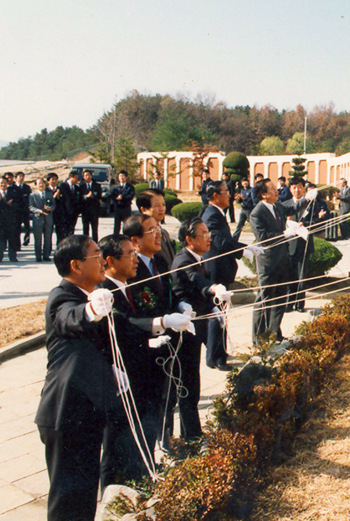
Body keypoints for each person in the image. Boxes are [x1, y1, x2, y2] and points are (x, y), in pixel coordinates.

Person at [34, 235, 117, 521]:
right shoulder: (62, 296)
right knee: (66, 500)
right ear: (76, 266)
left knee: (83, 498)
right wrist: (91, 311)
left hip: (86, 411)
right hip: (64, 413)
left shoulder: (92, 292)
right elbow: (69, 318)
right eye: (96, 255)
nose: (103, 259)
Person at [98, 234, 191, 486]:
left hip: (146, 373)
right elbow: (123, 324)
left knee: (145, 434)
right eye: (129, 254)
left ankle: (142, 479)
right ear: (110, 261)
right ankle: (112, 497)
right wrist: (160, 323)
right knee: (118, 444)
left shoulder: (132, 285)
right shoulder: (104, 292)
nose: (135, 258)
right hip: (124, 379)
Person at [166, 218, 234, 441]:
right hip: (184, 332)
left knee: (191, 384)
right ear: (189, 239)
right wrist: (214, 288)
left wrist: (213, 307)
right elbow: (195, 281)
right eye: (203, 234)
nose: (209, 238)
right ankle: (191, 437)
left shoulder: (197, 257)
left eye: (208, 233)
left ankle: (191, 434)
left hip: (196, 325)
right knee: (187, 385)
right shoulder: (184, 259)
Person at [249, 177, 313, 345]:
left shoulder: (277, 205)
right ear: (263, 194)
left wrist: (307, 198)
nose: (277, 191)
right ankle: (258, 339)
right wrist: (285, 235)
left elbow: (292, 207)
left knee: (279, 298)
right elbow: (263, 239)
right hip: (268, 263)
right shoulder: (257, 213)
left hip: (281, 260)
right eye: (272, 189)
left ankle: (274, 333)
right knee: (264, 300)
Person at [201, 180, 249, 369]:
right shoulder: (211, 215)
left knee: (221, 314)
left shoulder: (218, 213)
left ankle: (220, 351)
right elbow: (221, 243)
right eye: (225, 191)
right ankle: (215, 358)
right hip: (215, 271)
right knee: (216, 315)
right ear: (215, 196)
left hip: (221, 270)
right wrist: (245, 250)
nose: (229, 194)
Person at [284, 179, 329, 312]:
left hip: (304, 244)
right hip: (289, 245)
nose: (296, 190)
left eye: (299, 187)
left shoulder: (311, 204)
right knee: (289, 276)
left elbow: (316, 222)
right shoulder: (285, 205)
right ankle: (288, 303)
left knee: (301, 276)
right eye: (294, 187)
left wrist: (306, 225)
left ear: (304, 188)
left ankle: (299, 305)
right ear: (290, 189)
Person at [137, 189, 174, 270]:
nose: (162, 209)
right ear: (144, 210)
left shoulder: (164, 232)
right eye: (157, 205)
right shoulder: (142, 235)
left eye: (163, 205)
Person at [0, 176, 19, 262]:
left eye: (5, 182)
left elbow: (18, 205)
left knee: (12, 240)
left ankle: (13, 257)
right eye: (1, 183)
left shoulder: (12, 193)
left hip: (10, 221)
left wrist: (10, 204)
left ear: (8, 184)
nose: (3, 184)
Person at [29, 177, 55, 262]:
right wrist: (39, 211)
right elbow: (30, 206)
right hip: (38, 218)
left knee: (48, 238)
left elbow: (54, 204)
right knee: (38, 239)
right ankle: (38, 256)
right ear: (36, 185)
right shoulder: (32, 195)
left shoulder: (49, 194)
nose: (41, 185)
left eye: (42, 183)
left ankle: (46, 255)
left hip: (48, 218)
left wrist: (50, 208)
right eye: (39, 183)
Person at [79, 169, 102, 242]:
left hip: (94, 210)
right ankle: (86, 243)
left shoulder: (97, 185)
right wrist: (86, 196)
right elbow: (79, 197)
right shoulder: (81, 186)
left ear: (91, 176)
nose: (87, 177)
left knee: (94, 228)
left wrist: (93, 196)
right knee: (85, 228)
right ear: (83, 177)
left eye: (89, 175)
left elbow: (99, 196)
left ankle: (95, 243)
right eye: (86, 175)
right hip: (85, 210)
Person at [56, 171, 81, 240]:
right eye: (76, 178)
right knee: (62, 232)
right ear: (70, 177)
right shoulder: (62, 186)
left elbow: (79, 200)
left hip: (73, 215)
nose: (77, 180)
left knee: (70, 232)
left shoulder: (77, 188)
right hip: (63, 214)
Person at [110, 171, 135, 235]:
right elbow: (112, 196)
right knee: (116, 226)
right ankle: (116, 239)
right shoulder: (115, 187)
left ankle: (127, 239)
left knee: (127, 225)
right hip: (118, 208)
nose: (121, 178)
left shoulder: (130, 187)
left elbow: (131, 196)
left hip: (126, 208)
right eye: (120, 176)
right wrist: (116, 199)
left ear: (126, 177)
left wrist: (122, 197)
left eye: (123, 176)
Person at [15, 172, 33, 246]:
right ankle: (17, 243)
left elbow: (29, 198)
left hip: (25, 210)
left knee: (27, 227)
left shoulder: (27, 187)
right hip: (16, 211)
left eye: (22, 176)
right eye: (19, 176)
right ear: (16, 178)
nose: (21, 178)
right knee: (17, 227)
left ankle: (26, 240)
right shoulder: (13, 187)